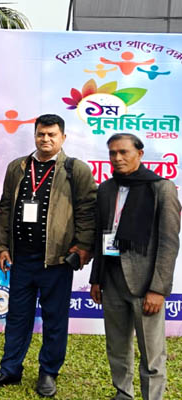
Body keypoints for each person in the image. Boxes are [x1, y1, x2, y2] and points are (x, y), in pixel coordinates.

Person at [0, 114, 97, 397]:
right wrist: (2, 246)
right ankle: (10, 369)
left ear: (63, 137)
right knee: (17, 317)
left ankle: (48, 372)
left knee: (54, 319)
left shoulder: (75, 169)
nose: (46, 139)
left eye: (52, 135)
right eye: (41, 134)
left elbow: (87, 211)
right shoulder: (18, 167)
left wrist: (82, 247)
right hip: (22, 259)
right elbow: (6, 207)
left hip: (56, 260)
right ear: (34, 135)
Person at [90, 134, 180, 400]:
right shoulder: (106, 189)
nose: (117, 158)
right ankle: (123, 393)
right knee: (117, 346)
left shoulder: (161, 188)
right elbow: (99, 235)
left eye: (124, 152)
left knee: (151, 351)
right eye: (112, 153)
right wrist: (96, 279)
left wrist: (158, 289)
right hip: (112, 279)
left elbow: (169, 243)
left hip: (145, 283)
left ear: (139, 154)